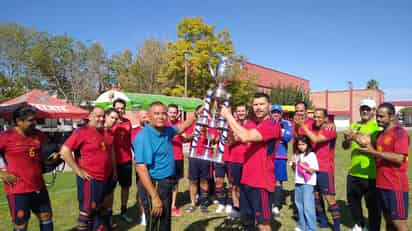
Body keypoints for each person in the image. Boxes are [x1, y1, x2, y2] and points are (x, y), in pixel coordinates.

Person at [221, 92, 281, 231]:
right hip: (246, 179)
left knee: (263, 224)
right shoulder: (253, 124)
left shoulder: (272, 125)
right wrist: (227, 124)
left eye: (262, 104)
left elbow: (246, 136)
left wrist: (229, 116)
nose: (258, 107)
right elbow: (232, 141)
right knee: (247, 221)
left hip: (261, 182)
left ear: (269, 106)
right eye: (255, 104)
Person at [133, 101, 196, 231]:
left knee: (165, 220)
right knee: (154, 222)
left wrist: (195, 115)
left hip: (166, 182)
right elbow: (140, 168)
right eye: (156, 114)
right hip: (153, 184)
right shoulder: (144, 137)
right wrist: (155, 197)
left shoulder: (166, 130)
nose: (160, 117)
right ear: (149, 116)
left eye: (163, 113)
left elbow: (181, 127)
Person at [60, 107, 117, 230]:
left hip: (105, 178)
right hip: (90, 179)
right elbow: (65, 151)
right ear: (90, 116)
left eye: (103, 116)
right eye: (98, 116)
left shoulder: (106, 133)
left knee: (99, 208)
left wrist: (114, 171)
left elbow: (110, 153)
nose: (101, 119)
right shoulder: (81, 132)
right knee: (87, 211)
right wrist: (78, 170)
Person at [0, 106, 56, 231]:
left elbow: (50, 150)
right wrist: (1, 173)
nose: (34, 123)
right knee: (21, 223)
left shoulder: (38, 135)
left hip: (38, 186)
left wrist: (55, 155)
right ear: (19, 121)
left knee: (46, 216)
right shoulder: (6, 136)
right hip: (17, 188)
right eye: (31, 120)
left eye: (35, 120)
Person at [358, 103, 409, 231]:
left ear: (392, 117)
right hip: (381, 184)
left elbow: (399, 158)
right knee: (388, 220)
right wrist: (361, 141)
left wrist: (373, 152)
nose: (378, 119)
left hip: (395, 185)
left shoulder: (399, 133)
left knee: (398, 223)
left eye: (382, 116)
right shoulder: (381, 135)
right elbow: (377, 156)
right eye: (377, 116)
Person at [295, 108, 341, 230]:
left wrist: (303, 127)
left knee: (329, 197)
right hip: (312, 167)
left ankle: (337, 227)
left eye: (319, 117)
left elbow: (315, 139)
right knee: (316, 196)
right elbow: (300, 134)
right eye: (315, 116)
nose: (316, 119)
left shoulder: (329, 129)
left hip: (325, 168)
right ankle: (323, 221)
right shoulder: (311, 125)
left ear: (326, 118)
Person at [342, 99, 381, 231]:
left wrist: (353, 136)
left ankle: (374, 227)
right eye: (362, 108)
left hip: (371, 173)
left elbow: (365, 143)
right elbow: (345, 146)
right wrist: (346, 140)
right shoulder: (354, 125)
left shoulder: (377, 128)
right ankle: (358, 223)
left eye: (368, 109)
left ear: (373, 111)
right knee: (353, 201)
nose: (364, 111)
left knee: (372, 205)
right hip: (353, 171)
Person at [226, 103, 256, 219]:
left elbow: (250, 139)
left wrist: (240, 137)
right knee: (234, 185)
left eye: (242, 111)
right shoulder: (233, 125)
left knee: (248, 186)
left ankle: (248, 208)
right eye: (238, 111)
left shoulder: (251, 124)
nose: (241, 113)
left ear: (246, 111)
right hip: (235, 160)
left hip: (248, 160)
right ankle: (236, 207)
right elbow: (229, 141)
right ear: (236, 113)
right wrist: (237, 138)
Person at [185, 106, 215, 214]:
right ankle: (193, 203)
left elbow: (215, 140)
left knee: (204, 181)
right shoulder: (193, 124)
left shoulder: (211, 125)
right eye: (201, 113)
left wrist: (208, 135)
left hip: (206, 157)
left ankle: (203, 203)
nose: (203, 115)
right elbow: (186, 138)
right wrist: (194, 133)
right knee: (193, 180)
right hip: (194, 156)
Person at [111, 98, 134, 223]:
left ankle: (124, 211)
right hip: (111, 162)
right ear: (113, 107)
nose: (120, 110)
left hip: (126, 161)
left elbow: (130, 141)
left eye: (122, 108)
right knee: (110, 189)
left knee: (125, 187)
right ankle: (109, 214)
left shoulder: (128, 122)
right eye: (117, 108)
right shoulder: (109, 122)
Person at [291, 135, 319, 231]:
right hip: (298, 182)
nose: (301, 146)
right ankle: (302, 225)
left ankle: (311, 228)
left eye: (303, 144)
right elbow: (294, 170)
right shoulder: (296, 155)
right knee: (299, 205)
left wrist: (302, 165)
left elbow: (312, 170)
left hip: (308, 184)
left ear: (307, 144)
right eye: (299, 144)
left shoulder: (311, 155)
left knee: (308, 206)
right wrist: (294, 164)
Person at [270, 104, 293, 218]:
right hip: (268, 157)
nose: (275, 114)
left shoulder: (286, 123)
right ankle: (268, 203)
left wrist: (277, 131)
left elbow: (287, 138)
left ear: (281, 114)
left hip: (280, 156)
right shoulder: (267, 123)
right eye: (273, 112)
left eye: (278, 112)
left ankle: (276, 206)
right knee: (267, 180)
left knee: (278, 182)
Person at [165, 104, 187, 217]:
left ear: (177, 113)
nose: (173, 114)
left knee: (175, 182)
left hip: (178, 157)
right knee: (165, 182)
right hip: (166, 158)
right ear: (167, 113)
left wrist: (184, 136)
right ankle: (164, 204)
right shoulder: (163, 124)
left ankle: (173, 206)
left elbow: (185, 139)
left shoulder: (181, 125)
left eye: (174, 112)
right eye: (170, 112)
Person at [131, 109, 149, 226]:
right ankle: (143, 214)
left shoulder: (153, 130)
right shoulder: (134, 131)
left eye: (147, 116)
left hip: (154, 165)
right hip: (141, 165)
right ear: (139, 118)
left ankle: (152, 211)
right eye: (143, 116)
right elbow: (131, 147)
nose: (145, 118)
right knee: (142, 190)